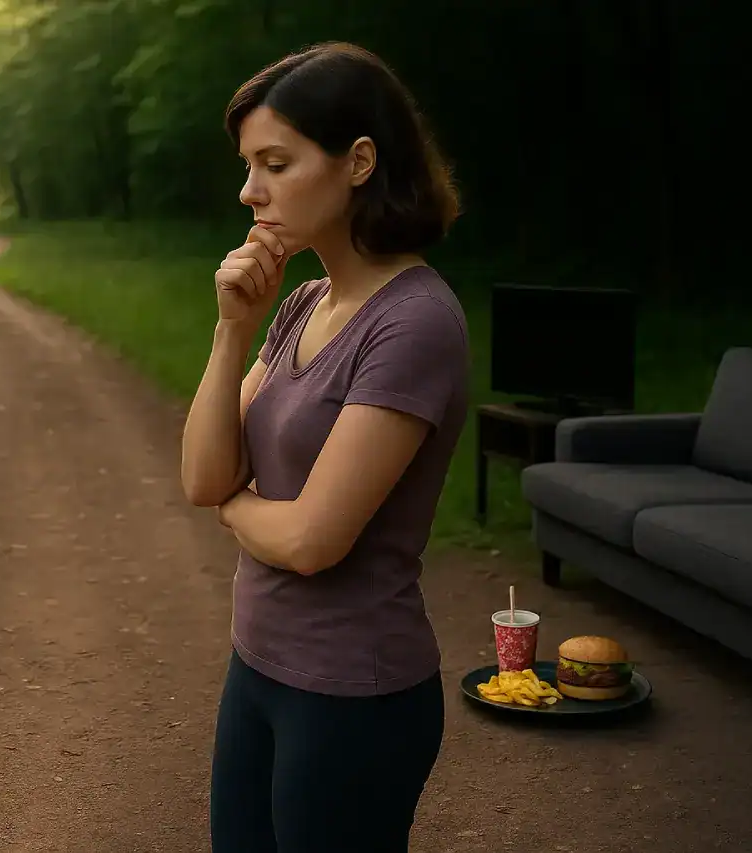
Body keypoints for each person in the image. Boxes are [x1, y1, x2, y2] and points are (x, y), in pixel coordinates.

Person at [179, 41, 470, 853]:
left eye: (275, 161)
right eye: (248, 165)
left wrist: (235, 504)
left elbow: (312, 540)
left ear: (359, 162)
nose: (250, 190)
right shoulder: (303, 300)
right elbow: (203, 473)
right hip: (258, 668)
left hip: (354, 698)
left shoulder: (414, 322)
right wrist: (232, 329)